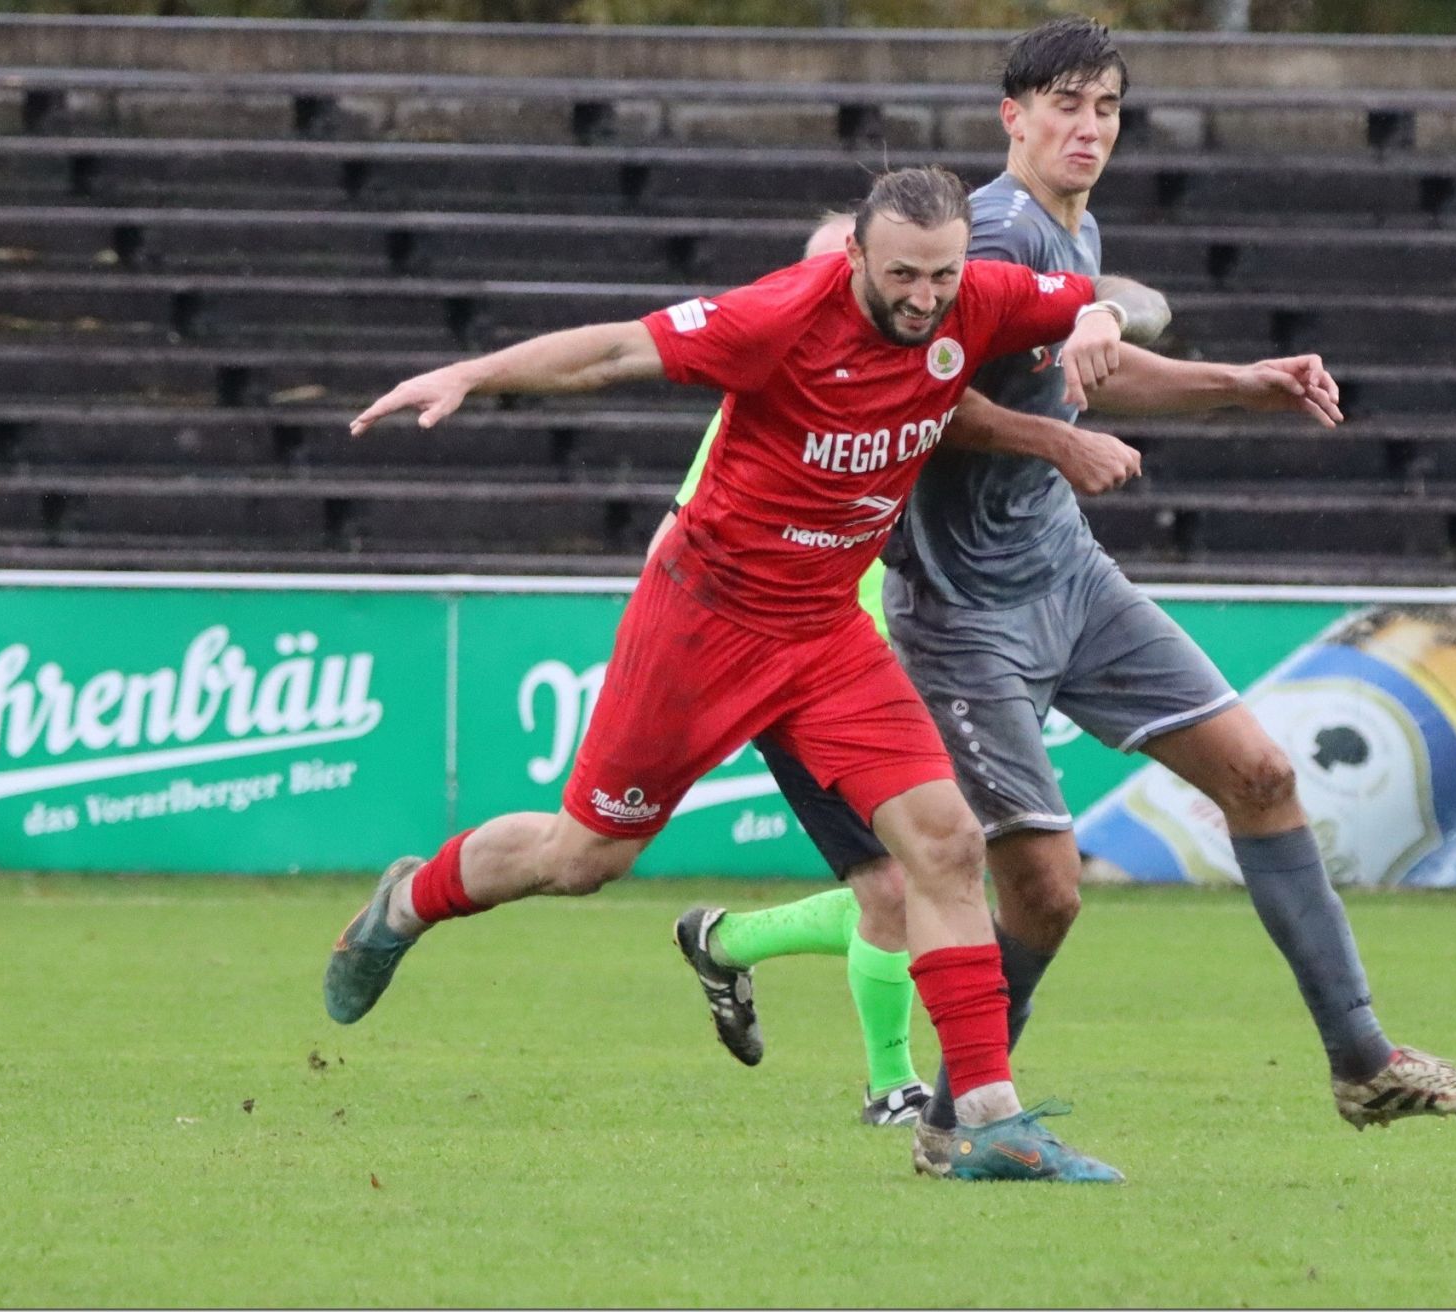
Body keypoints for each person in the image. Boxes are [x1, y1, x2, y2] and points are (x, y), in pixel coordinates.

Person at [667, 17, 1456, 1180]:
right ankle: (961, 1119)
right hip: (961, 612)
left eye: (1104, 108)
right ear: (1009, 116)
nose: (1087, 126)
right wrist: (1059, 441)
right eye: (1063, 104)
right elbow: (910, 387)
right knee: (1044, 893)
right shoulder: (982, 232)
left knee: (1259, 775)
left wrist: (1242, 382)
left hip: (1066, 576)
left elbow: (1096, 368)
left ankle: (1361, 1057)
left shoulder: (1068, 229)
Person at [327, 163, 1153, 1182]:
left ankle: (981, 1122)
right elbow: (614, 351)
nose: (922, 298)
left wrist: (1101, 311)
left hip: (823, 633)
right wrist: (471, 374)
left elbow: (1128, 298)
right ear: (854, 255)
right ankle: (411, 901)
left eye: (940, 276)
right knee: (580, 858)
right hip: (703, 623)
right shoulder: (778, 315)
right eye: (901, 274)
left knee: (940, 847)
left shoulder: (975, 295)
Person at [659, 209, 1158, 1129]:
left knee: (930, 870)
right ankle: (895, 1085)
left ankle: (725, 941)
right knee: (900, 882)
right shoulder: (767, 409)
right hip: (800, 669)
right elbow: (682, 544)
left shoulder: (906, 385)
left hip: (889, 664)